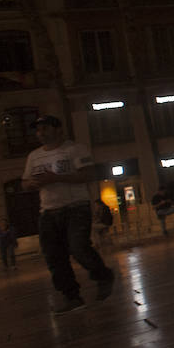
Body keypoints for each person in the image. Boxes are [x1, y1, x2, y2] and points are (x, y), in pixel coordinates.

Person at [22, 115, 116, 312]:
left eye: (45, 128)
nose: (41, 133)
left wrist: (56, 178)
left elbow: (89, 175)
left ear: (58, 129)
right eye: (38, 130)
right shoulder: (34, 156)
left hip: (76, 206)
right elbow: (25, 183)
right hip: (47, 210)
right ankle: (71, 296)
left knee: (79, 246)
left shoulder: (75, 149)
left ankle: (103, 275)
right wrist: (34, 183)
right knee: (54, 256)